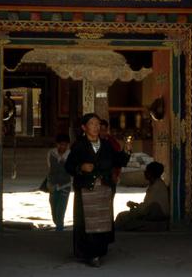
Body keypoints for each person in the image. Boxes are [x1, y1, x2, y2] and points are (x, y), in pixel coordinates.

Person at [65, 113, 132, 267]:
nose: (96, 127)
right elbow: (68, 166)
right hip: (86, 188)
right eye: (92, 124)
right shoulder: (79, 146)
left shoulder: (106, 145)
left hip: (104, 189)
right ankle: (89, 253)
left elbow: (119, 161)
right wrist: (80, 167)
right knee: (88, 222)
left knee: (102, 221)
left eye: (97, 124)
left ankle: (99, 251)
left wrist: (127, 150)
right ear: (84, 127)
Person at [115, 161, 170, 231]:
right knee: (124, 217)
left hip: (156, 219)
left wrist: (134, 210)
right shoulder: (155, 185)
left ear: (151, 173)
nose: (145, 173)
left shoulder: (157, 187)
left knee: (122, 217)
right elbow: (147, 206)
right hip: (151, 215)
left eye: (147, 171)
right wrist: (136, 205)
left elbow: (145, 209)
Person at [46, 134, 72, 231]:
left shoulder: (70, 155)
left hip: (65, 184)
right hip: (53, 184)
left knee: (61, 207)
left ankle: (59, 227)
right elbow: (50, 168)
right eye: (61, 144)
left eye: (65, 145)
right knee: (53, 206)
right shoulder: (51, 153)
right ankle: (58, 223)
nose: (63, 147)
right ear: (57, 144)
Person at [99, 119, 122, 190]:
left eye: (104, 130)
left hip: (110, 175)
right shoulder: (92, 141)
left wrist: (115, 173)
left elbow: (117, 158)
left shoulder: (111, 141)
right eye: (100, 130)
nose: (102, 132)